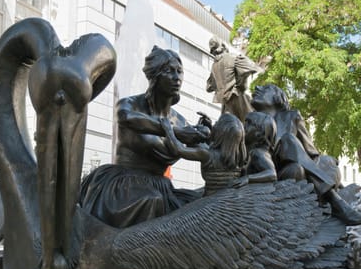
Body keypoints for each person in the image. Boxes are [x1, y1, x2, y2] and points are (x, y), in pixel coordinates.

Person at [79, 46, 210, 228]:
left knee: (203, 203)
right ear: (155, 75)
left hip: (162, 188)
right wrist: (177, 133)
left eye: (179, 72)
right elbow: (127, 118)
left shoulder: (181, 121)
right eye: (169, 71)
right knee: (151, 200)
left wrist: (209, 135)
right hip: (124, 185)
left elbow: (209, 153)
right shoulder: (130, 105)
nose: (176, 77)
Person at [251, 84, 361, 225]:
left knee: (295, 163)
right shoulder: (250, 119)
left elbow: (311, 153)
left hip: (287, 173)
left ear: (277, 97)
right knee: (289, 139)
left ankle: (329, 197)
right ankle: (334, 200)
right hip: (265, 172)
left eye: (265, 88)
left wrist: (337, 182)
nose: (257, 88)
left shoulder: (291, 117)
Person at [160, 113, 247, 196]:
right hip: (229, 199)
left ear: (221, 132)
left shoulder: (207, 155)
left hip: (210, 201)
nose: (215, 125)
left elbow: (179, 150)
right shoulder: (239, 158)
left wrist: (169, 130)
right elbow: (210, 146)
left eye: (217, 123)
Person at [206, 37, 260, 122]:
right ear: (224, 46)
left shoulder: (214, 66)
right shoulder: (233, 58)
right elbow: (252, 67)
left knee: (229, 129)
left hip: (226, 105)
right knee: (251, 125)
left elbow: (209, 87)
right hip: (238, 98)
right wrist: (241, 83)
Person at [232, 111, 277, 188]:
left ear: (259, 134)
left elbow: (272, 173)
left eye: (249, 123)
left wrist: (248, 178)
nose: (243, 126)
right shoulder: (250, 151)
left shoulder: (257, 153)